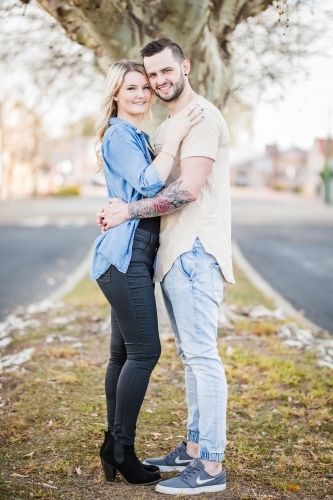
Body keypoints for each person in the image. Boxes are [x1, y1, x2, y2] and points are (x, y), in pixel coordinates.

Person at [97, 39, 235, 495]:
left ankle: (209, 466)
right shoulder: (156, 130)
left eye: (159, 74)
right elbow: (142, 181)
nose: (155, 84)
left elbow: (186, 190)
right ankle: (193, 448)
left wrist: (126, 211)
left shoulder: (199, 119)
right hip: (167, 253)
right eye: (146, 77)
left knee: (198, 357)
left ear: (186, 67)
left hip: (193, 249)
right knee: (185, 356)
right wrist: (123, 206)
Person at [90, 59, 203, 487]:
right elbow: (150, 185)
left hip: (128, 254)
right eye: (130, 88)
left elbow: (136, 189)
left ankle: (112, 446)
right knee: (144, 353)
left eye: (144, 87)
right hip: (127, 257)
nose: (140, 94)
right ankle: (122, 448)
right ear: (116, 94)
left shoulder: (134, 133)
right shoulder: (120, 134)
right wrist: (174, 137)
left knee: (122, 355)